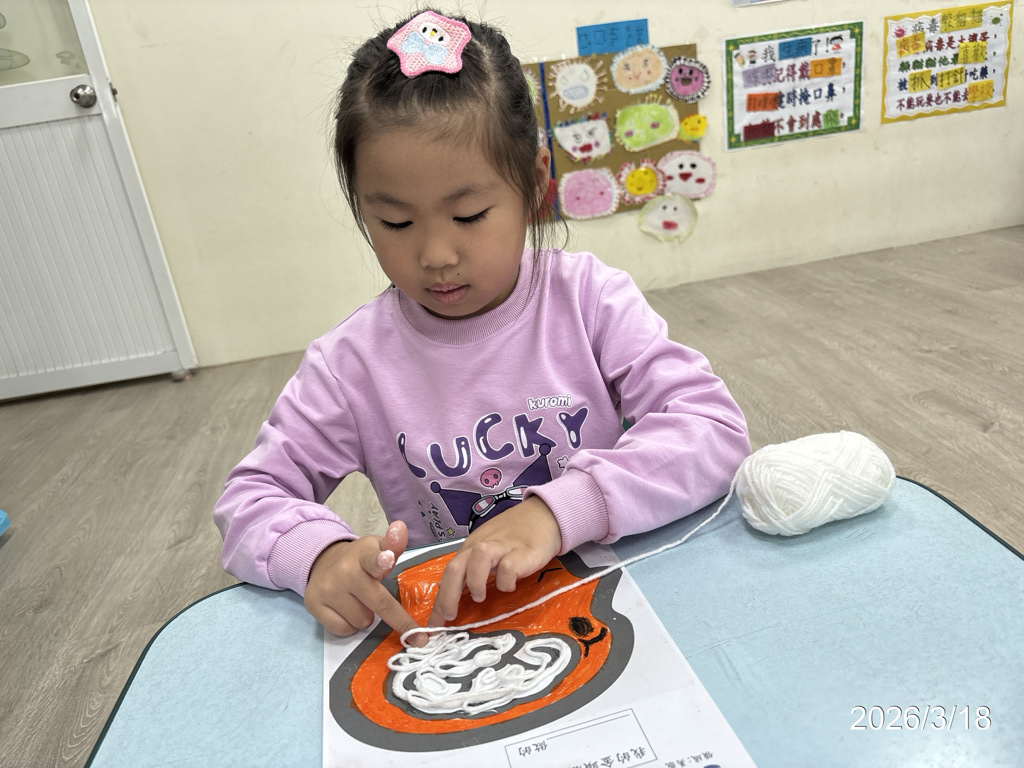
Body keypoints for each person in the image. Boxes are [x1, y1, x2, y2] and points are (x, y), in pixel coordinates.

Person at [213, 9, 750, 647]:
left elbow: (712, 430)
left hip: (620, 604)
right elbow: (251, 496)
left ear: (535, 184)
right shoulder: (350, 365)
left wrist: (562, 509)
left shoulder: (590, 301)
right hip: (469, 635)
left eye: (468, 215)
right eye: (395, 223)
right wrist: (316, 554)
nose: (436, 254)